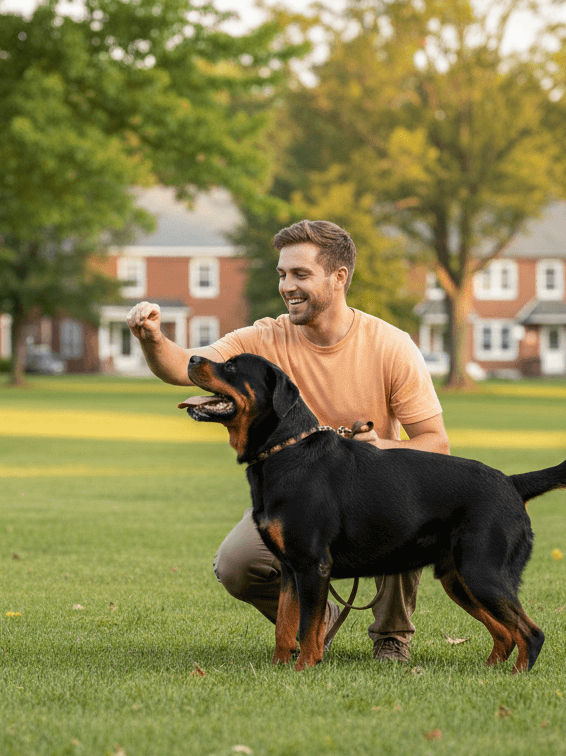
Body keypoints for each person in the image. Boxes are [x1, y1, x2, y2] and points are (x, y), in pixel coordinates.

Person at [126, 219, 448, 662]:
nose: (287, 286)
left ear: (338, 277)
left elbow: (436, 444)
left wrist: (378, 450)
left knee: (404, 497)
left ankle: (392, 636)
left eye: (300, 274)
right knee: (236, 564)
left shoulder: (391, 346)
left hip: (367, 498)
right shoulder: (264, 337)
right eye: (282, 274)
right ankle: (318, 619)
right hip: (293, 497)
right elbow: (187, 367)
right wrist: (152, 339)